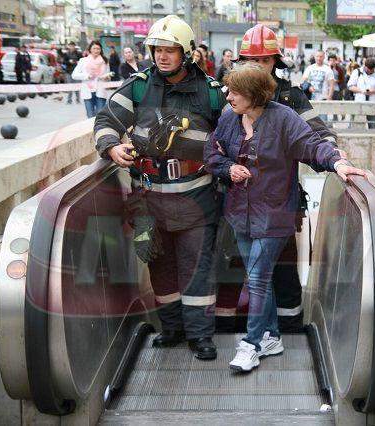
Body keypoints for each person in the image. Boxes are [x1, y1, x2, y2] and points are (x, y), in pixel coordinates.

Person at [205, 63, 366, 372]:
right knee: (259, 277)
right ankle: (272, 336)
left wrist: (337, 162)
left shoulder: (283, 118)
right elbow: (212, 152)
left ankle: (251, 344)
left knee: (257, 277)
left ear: (254, 94)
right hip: (240, 213)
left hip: (275, 214)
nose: (228, 96)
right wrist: (228, 168)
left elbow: (312, 146)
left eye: (235, 91)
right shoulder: (229, 119)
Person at [94, 15, 227, 360]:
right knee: (158, 265)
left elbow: (234, 131)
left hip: (196, 197)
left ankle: (200, 336)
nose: (162, 57)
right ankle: (172, 329)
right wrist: (111, 146)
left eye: (170, 50)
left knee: (196, 268)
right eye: (157, 50)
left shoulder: (212, 94)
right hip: (148, 199)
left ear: (186, 53)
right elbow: (107, 119)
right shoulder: (138, 87)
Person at [233, 24, 341, 332]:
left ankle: (289, 325)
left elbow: (317, 133)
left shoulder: (291, 98)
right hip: (239, 200)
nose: (257, 66)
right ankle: (251, 329)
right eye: (251, 60)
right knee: (241, 266)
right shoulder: (230, 93)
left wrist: (335, 155)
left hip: (279, 201)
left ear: (275, 62)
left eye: (264, 60)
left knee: (281, 264)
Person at [72, 40, 112, 118]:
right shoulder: (83, 61)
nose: (96, 50)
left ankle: (99, 130)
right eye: (94, 48)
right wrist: (87, 76)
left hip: (100, 91)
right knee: (90, 116)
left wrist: (107, 77)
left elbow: (108, 75)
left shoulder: (105, 61)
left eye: (98, 49)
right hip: (87, 91)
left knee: (100, 116)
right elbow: (74, 75)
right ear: (90, 49)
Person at [347, 56, 375, 129]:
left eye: (372, 69)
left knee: (373, 127)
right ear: (365, 66)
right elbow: (350, 86)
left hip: (374, 104)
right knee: (357, 127)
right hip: (359, 103)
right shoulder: (357, 72)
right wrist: (362, 91)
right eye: (368, 69)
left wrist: (374, 90)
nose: (369, 71)